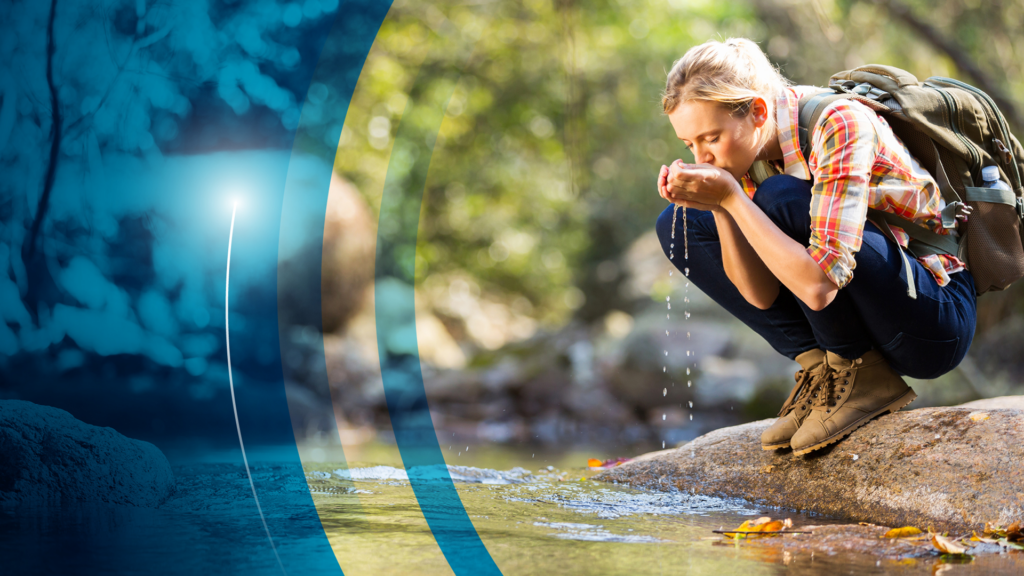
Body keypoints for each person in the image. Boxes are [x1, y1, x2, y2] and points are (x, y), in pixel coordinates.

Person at [654, 38, 977, 455]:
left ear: (757, 112)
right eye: (690, 146)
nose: (702, 157)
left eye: (711, 138)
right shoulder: (751, 152)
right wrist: (718, 206)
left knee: (779, 199)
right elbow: (759, 295)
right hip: (870, 308)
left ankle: (859, 371)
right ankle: (824, 371)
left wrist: (734, 198)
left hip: (933, 317)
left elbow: (819, 286)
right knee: (679, 223)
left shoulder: (838, 122)